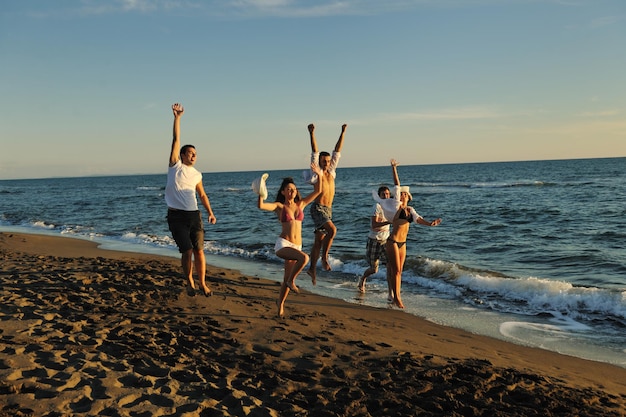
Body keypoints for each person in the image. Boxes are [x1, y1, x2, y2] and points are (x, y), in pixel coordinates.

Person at [256, 165, 323, 317]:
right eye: (288, 189)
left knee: (286, 278)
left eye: (294, 189)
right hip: (283, 244)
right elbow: (261, 205)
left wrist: (319, 175)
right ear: (283, 192)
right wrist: (260, 191)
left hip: (297, 245)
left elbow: (318, 191)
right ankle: (291, 282)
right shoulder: (280, 207)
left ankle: (280, 304)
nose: (292, 191)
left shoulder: (302, 204)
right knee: (304, 258)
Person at [373, 159, 441, 309]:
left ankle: (393, 295)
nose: (402, 196)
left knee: (397, 271)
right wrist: (394, 169)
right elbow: (396, 184)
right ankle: (397, 297)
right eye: (401, 194)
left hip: (403, 243)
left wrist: (430, 223)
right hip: (392, 242)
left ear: (408, 196)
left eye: (405, 194)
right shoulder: (394, 208)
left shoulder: (410, 210)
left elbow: (418, 219)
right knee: (395, 271)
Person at [165, 103, 217, 297]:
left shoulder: (197, 174)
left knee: (199, 251)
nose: (194, 156)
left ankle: (202, 283)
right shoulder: (175, 166)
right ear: (182, 155)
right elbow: (176, 139)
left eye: (196, 154)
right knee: (187, 251)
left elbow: (202, 195)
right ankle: (189, 282)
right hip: (176, 216)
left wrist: (211, 213)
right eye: (190, 153)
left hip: (195, 215)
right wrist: (177, 118)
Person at [304, 123, 347, 285]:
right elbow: (314, 152)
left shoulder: (332, 171)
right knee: (333, 230)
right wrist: (312, 133)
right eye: (323, 161)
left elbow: (337, 152)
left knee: (318, 242)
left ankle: (312, 269)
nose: (326, 163)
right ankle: (324, 257)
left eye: (328, 161)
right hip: (317, 208)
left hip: (328, 210)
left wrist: (342, 132)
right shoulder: (317, 174)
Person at [357, 186, 391, 293]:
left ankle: (391, 291)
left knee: (390, 266)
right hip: (374, 240)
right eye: (383, 194)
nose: (386, 196)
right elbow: (374, 225)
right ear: (379, 196)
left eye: (387, 194)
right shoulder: (377, 206)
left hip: (386, 240)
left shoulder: (391, 207)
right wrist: (388, 222)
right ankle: (363, 279)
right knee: (374, 269)